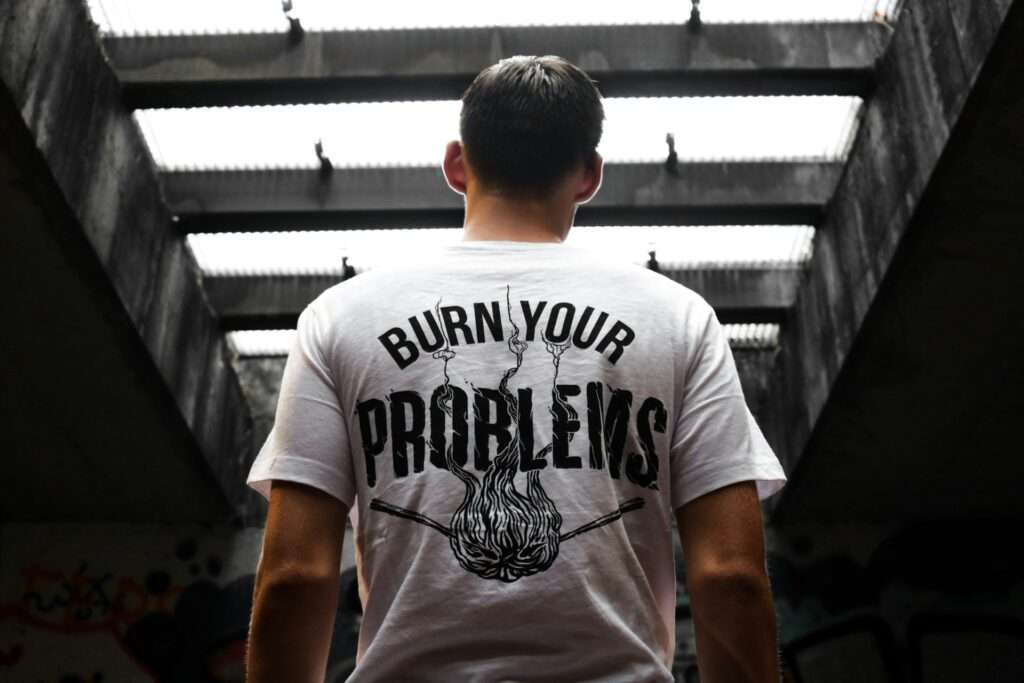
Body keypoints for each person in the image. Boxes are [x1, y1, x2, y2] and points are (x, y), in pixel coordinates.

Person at [245, 54, 787, 682]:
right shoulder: (679, 320)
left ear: (456, 164)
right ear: (589, 175)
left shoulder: (339, 319)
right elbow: (731, 575)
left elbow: (294, 576)